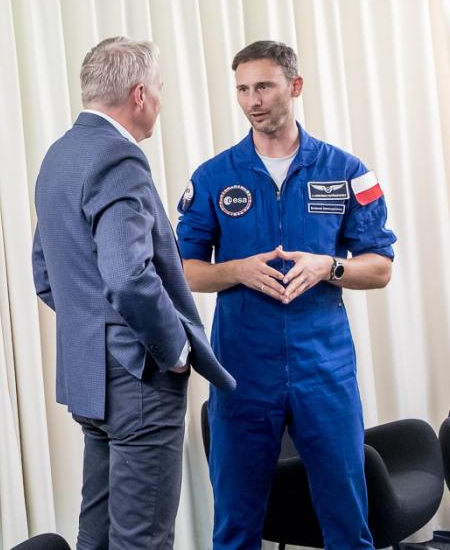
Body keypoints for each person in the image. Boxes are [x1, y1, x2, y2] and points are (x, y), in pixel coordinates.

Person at [176, 40, 396, 550]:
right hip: (242, 369)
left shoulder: (346, 170)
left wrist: (329, 266)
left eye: (264, 86)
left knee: (347, 520)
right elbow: (185, 272)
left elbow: (381, 267)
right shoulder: (212, 177)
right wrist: (235, 270)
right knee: (236, 523)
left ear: (294, 87)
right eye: (243, 89)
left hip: (324, 366)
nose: (253, 101)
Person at [32, 36, 234, 550]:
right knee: (141, 539)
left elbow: (45, 274)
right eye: (160, 88)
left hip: (87, 373)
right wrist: (174, 351)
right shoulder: (118, 157)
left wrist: (94, 330)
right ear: (140, 94)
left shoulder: (59, 155)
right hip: (138, 377)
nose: (161, 100)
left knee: (97, 533)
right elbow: (127, 276)